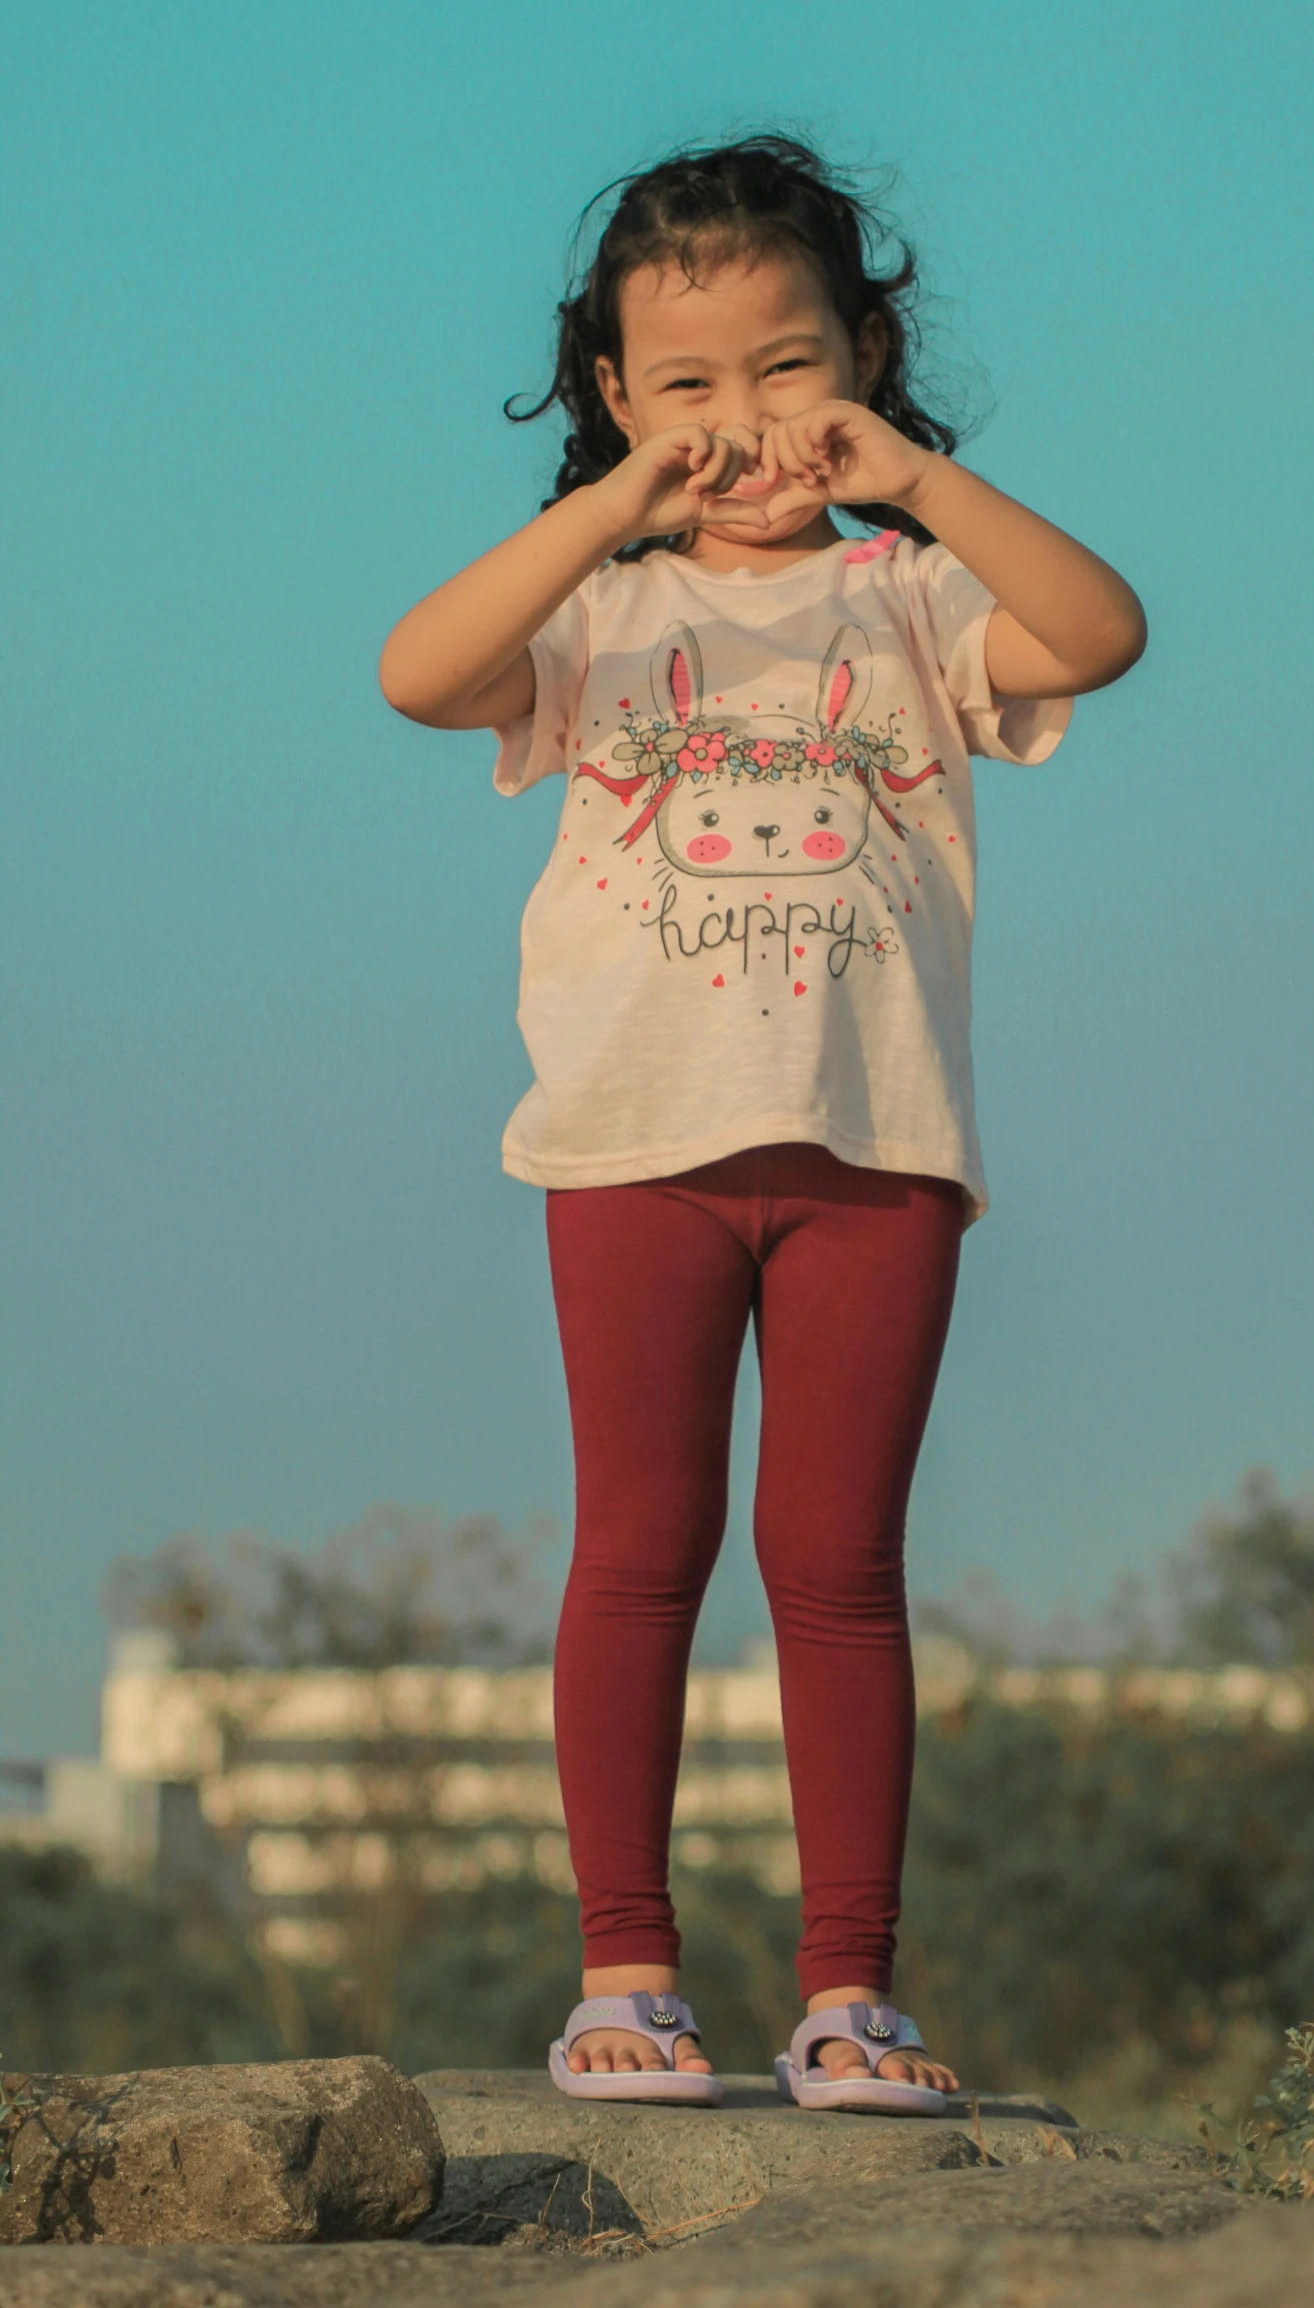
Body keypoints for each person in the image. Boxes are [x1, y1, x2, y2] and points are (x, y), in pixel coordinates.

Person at [380, 135, 1145, 2112]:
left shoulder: (916, 600)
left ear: (863, 354)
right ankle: (623, 1971)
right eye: (689, 383)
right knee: (640, 1545)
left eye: (788, 367)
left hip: (873, 1148)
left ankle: (850, 1990)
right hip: (630, 1142)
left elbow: (1105, 631)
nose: (744, 421)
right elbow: (417, 675)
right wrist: (606, 509)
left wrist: (918, 478)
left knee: (837, 1558)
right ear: (618, 395)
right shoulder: (599, 614)